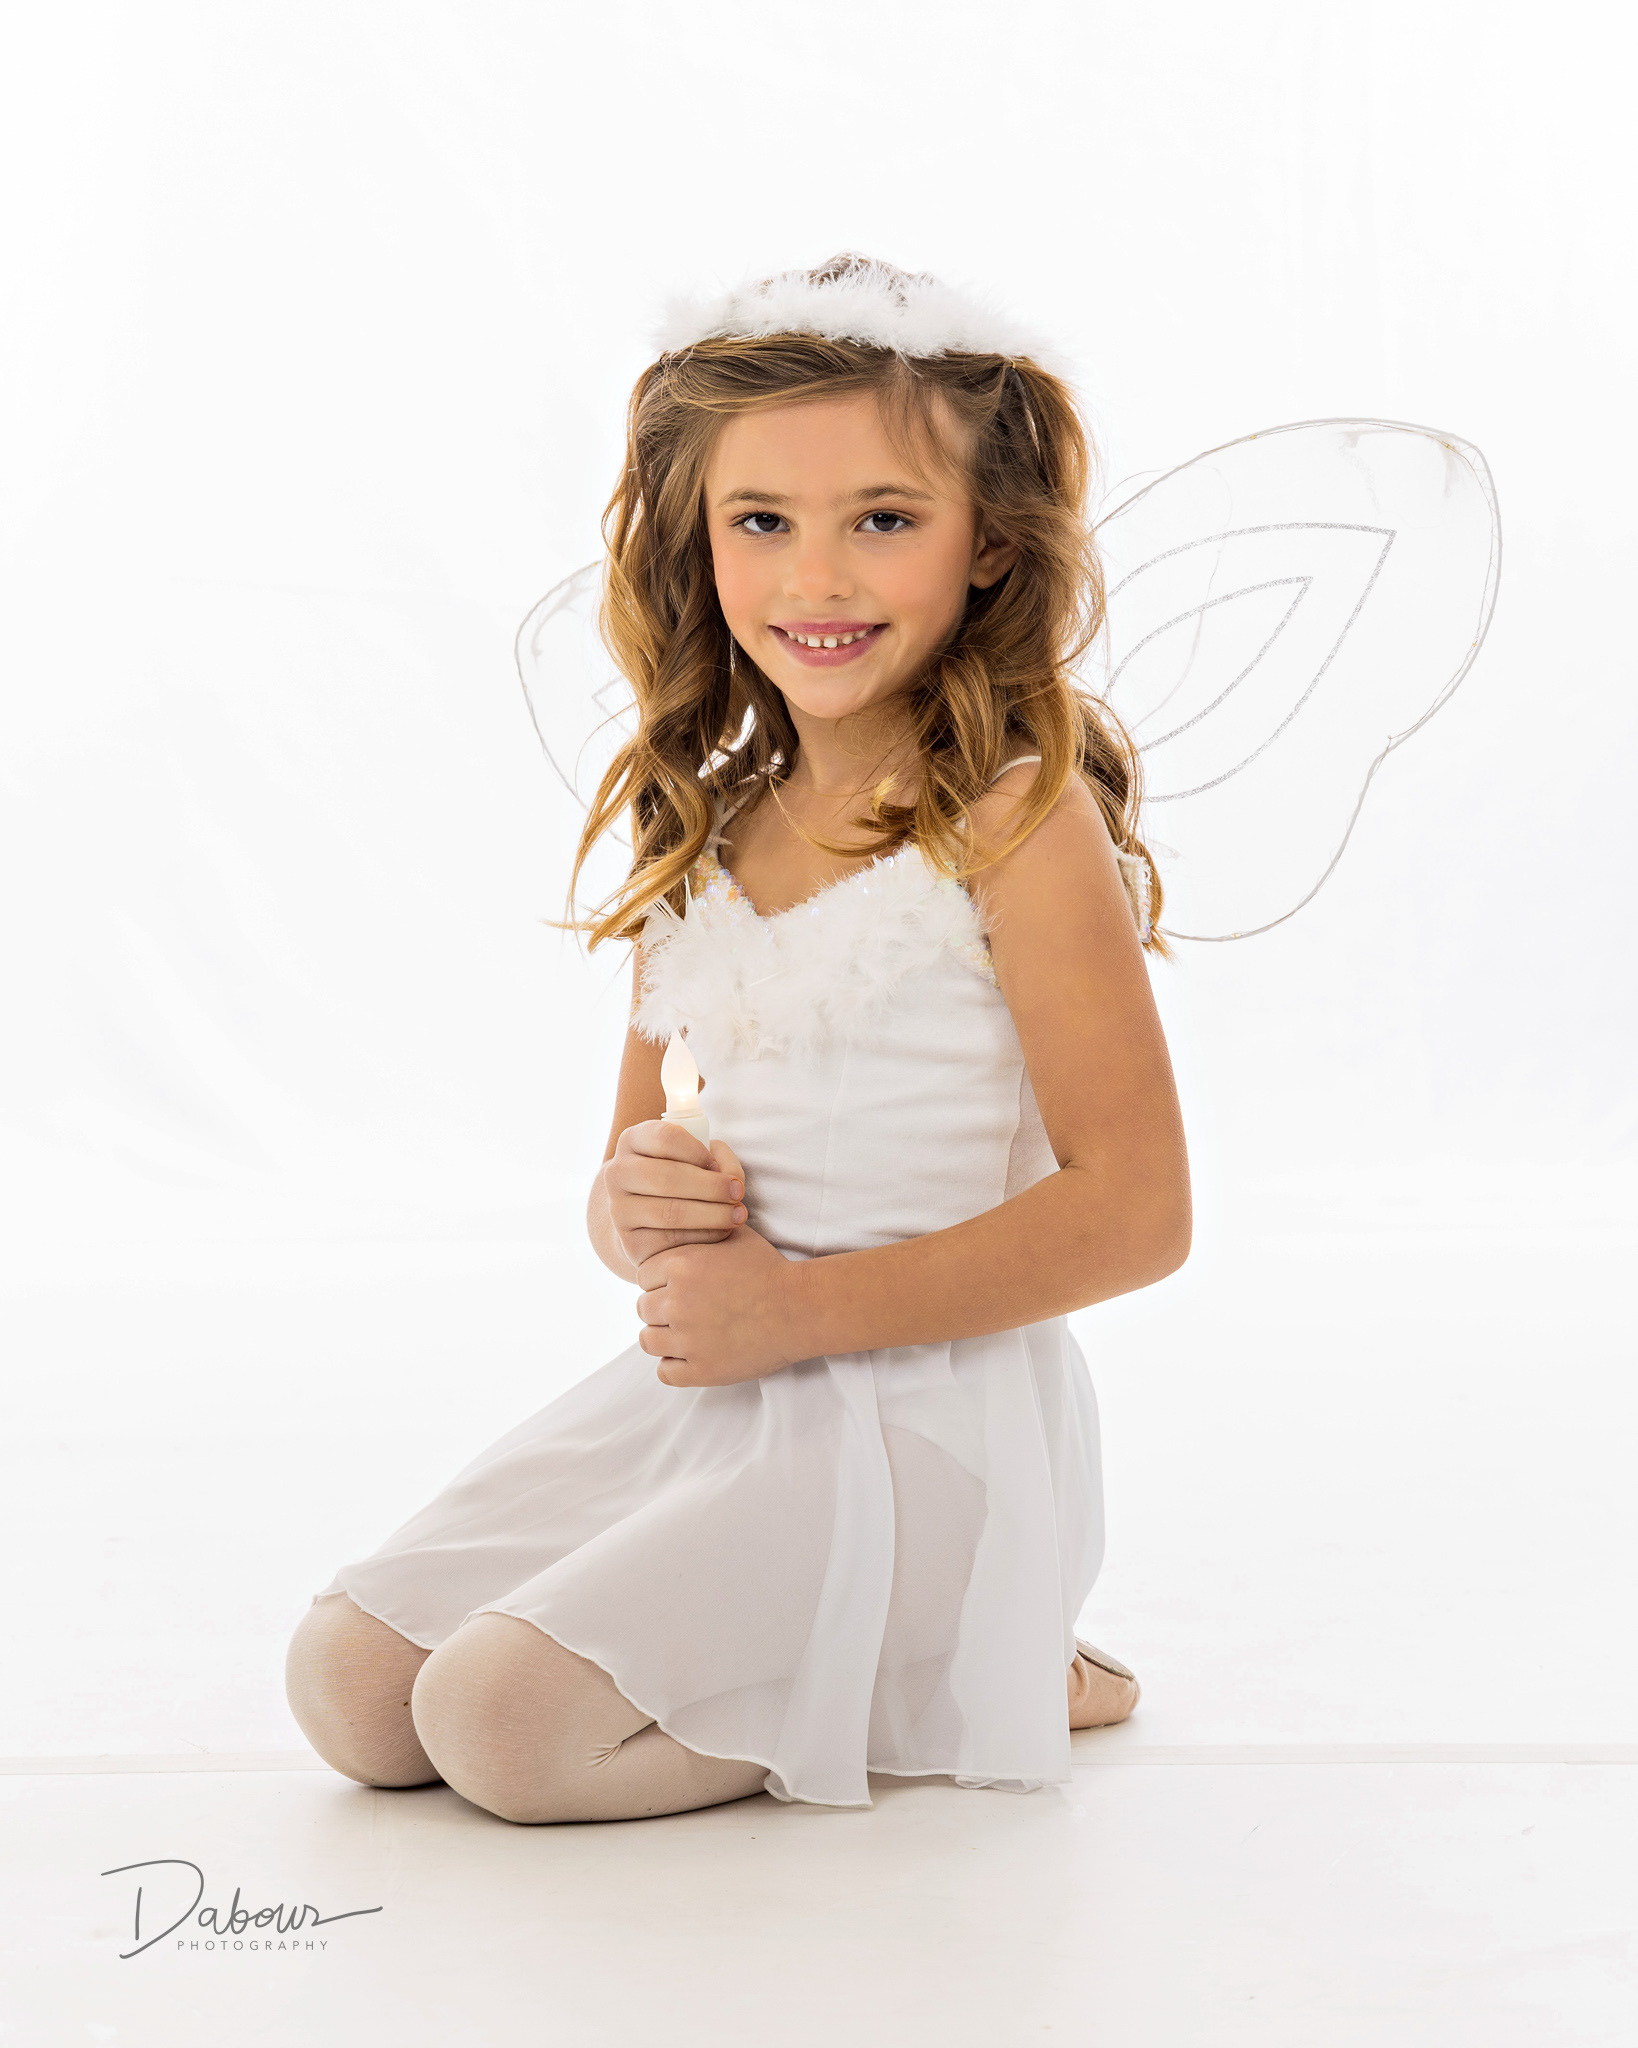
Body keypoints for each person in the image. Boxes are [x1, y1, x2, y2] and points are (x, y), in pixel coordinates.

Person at [284, 254, 1192, 1824]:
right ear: (695, 544)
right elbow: (628, 1188)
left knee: (504, 1730)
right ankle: (882, 1647)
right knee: (354, 1689)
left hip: (923, 1426)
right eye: (760, 522)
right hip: (721, 1394)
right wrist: (632, 1207)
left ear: (988, 543)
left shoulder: (1013, 829)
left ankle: (976, 1649)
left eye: (883, 519)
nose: (815, 578)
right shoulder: (702, 824)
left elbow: (1138, 1214)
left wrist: (800, 1313)